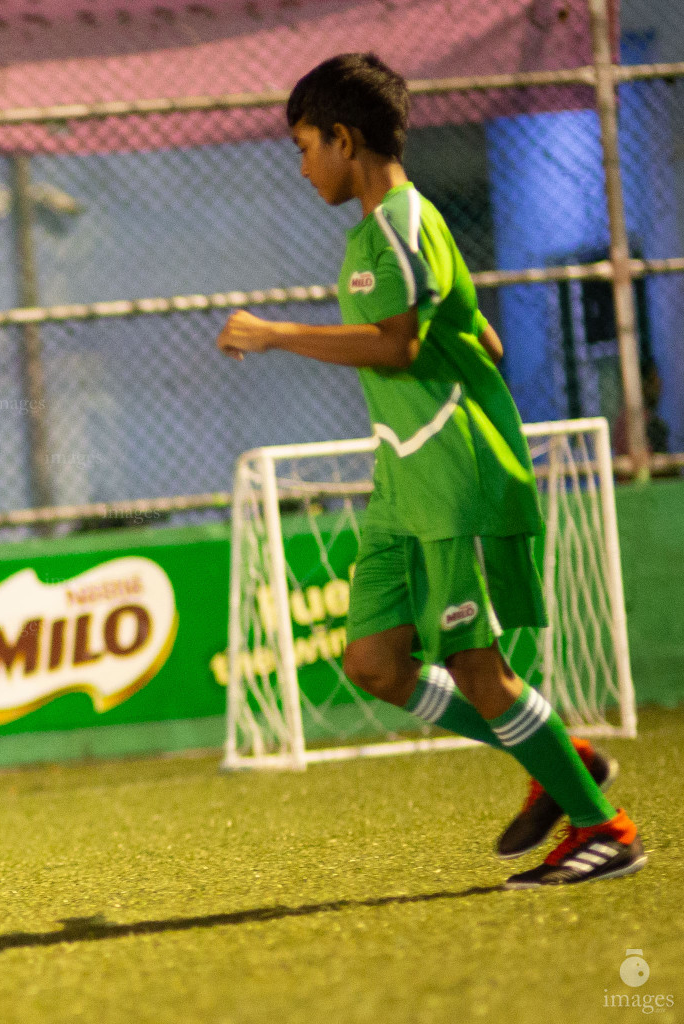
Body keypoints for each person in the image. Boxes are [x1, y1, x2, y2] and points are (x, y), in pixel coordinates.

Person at [215, 53, 642, 887]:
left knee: (479, 668)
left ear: (344, 138)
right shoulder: (391, 231)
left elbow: (398, 343)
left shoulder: (401, 226)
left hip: (452, 476)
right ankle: (564, 756)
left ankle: (607, 830)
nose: (302, 167)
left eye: (306, 147)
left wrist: (273, 333)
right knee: (376, 665)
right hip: (405, 478)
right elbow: (482, 337)